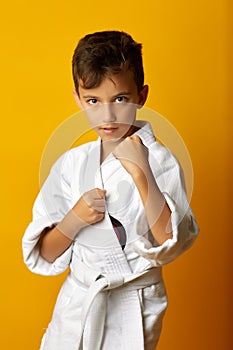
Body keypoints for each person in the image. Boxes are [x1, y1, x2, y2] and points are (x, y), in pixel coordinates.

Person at [22, 30, 199, 350]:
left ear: (141, 96)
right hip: (78, 304)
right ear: (77, 98)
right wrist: (73, 220)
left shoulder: (160, 160)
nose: (107, 115)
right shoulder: (71, 163)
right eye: (93, 101)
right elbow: (45, 252)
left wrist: (143, 174)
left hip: (134, 304)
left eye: (120, 99)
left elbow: (170, 243)